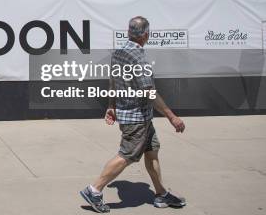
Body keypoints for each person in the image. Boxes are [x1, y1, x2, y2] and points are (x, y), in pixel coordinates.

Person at [80, 16, 187, 213]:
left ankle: (161, 194)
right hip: (136, 119)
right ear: (146, 35)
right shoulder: (138, 57)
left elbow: (113, 80)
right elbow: (149, 91)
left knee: (151, 150)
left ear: (129, 32)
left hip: (141, 116)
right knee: (126, 155)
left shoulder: (119, 52)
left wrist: (111, 105)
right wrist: (172, 116)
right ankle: (94, 190)